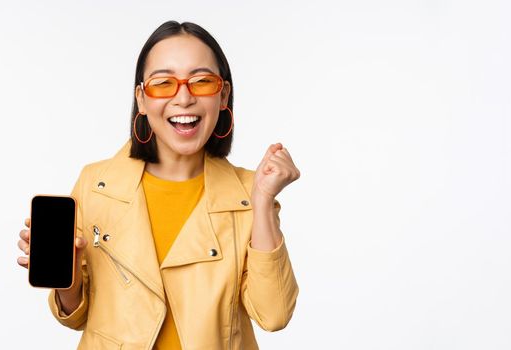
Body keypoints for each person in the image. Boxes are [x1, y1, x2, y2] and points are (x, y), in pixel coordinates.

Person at [17, 20, 301, 349]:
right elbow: (75, 315)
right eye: (163, 83)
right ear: (141, 99)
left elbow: (274, 314)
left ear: (223, 94)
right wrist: (66, 275)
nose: (183, 98)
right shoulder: (96, 185)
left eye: (202, 81)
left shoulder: (249, 194)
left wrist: (263, 200)